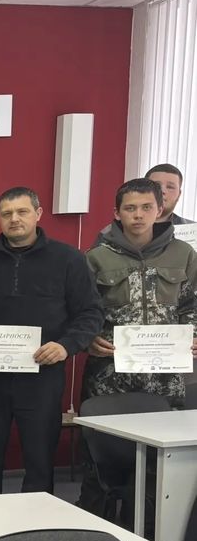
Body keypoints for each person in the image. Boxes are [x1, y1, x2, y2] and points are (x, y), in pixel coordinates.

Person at [0, 187, 102, 494]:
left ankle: (37, 520)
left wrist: (65, 346)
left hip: (42, 377)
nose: (14, 219)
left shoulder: (69, 259)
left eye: (22, 212)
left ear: (38, 214)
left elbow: (90, 313)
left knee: (39, 459)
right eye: (6, 214)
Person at [78, 179, 197, 520]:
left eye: (146, 207)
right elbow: (84, 310)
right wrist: (91, 338)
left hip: (165, 378)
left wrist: (193, 335)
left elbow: (192, 304)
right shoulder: (96, 257)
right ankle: (95, 526)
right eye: (130, 208)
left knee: (161, 465)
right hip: (110, 376)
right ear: (117, 213)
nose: (138, 215)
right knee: (101, 460)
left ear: (160, 210)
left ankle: (149, 527)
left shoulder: (184, 254)